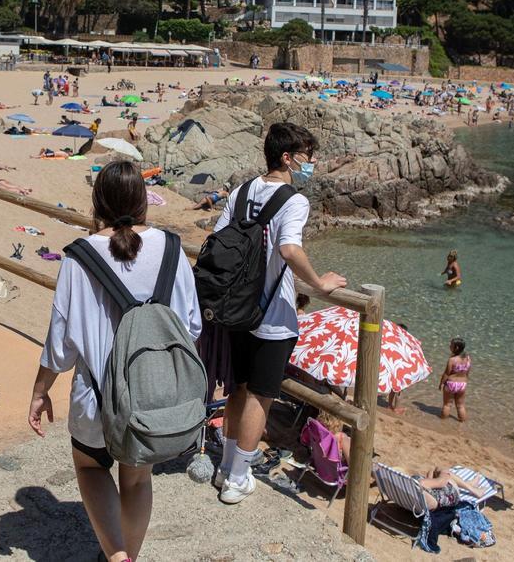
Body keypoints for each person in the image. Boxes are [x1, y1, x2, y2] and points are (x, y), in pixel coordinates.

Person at [28, 161, 201, 562]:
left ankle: (117, 556)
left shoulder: (79, 257)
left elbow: (61, 343)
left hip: (97, 397)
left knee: (90, 469)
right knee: (138, 478)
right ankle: (127, 557)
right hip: (153, 398)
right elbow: (191, 327)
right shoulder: (172, 248)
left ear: (97, 203)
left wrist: (40, 391)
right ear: (143, 201)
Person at [212, 122, 347, 505]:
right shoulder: (294, 200)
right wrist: (320, 284)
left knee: (236, 390)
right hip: (271, 316)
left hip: (234, 309)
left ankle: (226, 465)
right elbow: (289, 249)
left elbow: (217, 240)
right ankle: (238, 478)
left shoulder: (240, 192)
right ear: (287, 158)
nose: (313, 162)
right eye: (308, 155)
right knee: (261, 396)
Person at [439, 338, 471, 422]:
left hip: (451, 384)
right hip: (462, 384)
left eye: (451, 345)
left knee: (447, 405)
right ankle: (462, 422)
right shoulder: (468, 358)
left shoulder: (452, 360)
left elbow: (446, 373)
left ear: (456, 348)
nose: (449, 346)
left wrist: (441, 383)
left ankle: (442, 423)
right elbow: (467, 372)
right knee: (460, 406)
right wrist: (466, 380)